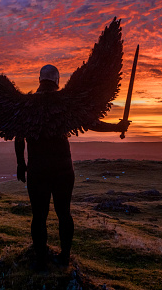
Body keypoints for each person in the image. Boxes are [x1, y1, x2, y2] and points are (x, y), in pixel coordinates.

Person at [15, 64, 129, 269]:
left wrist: (20, 163)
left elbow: (19, 137)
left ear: (40, 80)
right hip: (63, 170)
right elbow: (91, 123)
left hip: (37, 170)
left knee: (38, 216)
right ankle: (64, 257)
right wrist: (117, 127)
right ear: (57, 81)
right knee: (63, 213)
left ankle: (41, 260)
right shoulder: (66, 103)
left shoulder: (27, 105)